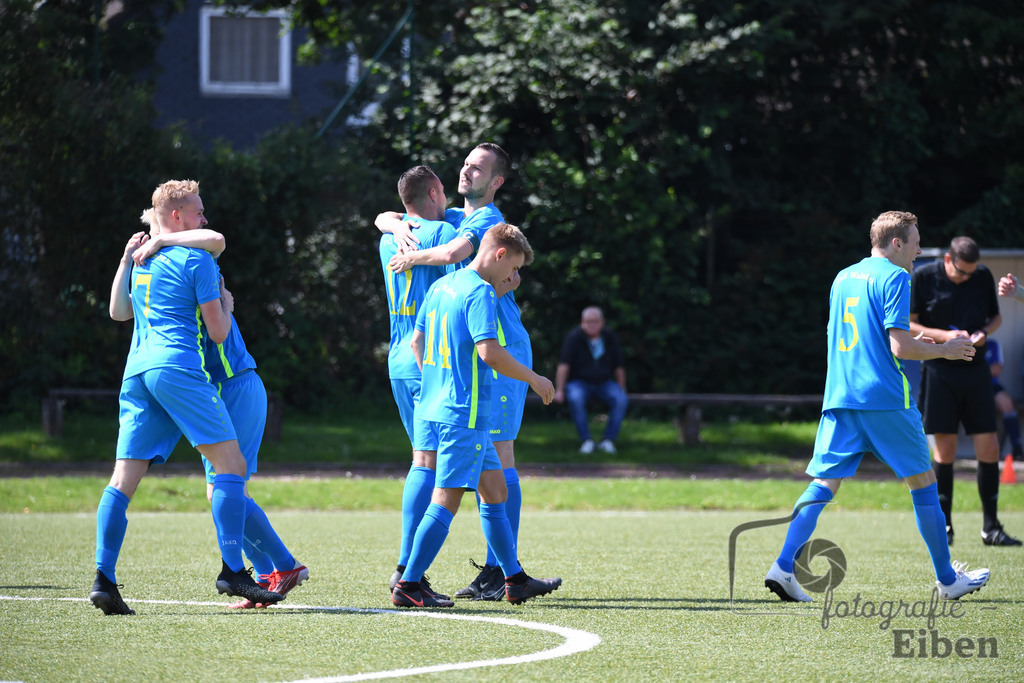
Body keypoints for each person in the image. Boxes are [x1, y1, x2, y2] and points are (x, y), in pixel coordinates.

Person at [765, 211, 990, 603]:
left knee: (823, 483)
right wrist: (948, 350)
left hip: (840, 397)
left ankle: (783, 567)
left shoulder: (842, 277)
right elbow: (900, 347)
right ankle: (947, 579)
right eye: (916, 241)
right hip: (884, 399)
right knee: (923, 484)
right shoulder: (897, 277)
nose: (920, 249)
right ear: (897, 242)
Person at [91, 180, 284, 615]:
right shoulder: (196, 258)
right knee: (230, 467)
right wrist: (227, 307)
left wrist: (128, 256)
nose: (204, 219)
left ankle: (104, 579)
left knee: (123, 479)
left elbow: (118, 312)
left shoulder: (142, 259)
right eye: (197, 211)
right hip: (178, 368)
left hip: (137, 372)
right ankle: (233, 571)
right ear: (177, 216)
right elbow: (217, 332)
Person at [377, 143, 533, 601]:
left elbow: (450, 253)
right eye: (465, 163)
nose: (466, 169)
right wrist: (390, 218)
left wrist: (393, 231)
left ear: (497, 181)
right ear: (438, 190)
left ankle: (495, 569)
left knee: (490, 459)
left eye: (478, 166)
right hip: (451, 361)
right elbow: (421, 230)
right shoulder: (444, 224)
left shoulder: (479, 222)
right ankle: (488, 572)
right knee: (466, 465)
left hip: (483, 351)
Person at [130, 216, 309, 610]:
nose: (205, 218)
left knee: (226, 488)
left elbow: (216, 239)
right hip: (221, 390)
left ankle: (278, 568)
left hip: (237, 386)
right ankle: (273, 571)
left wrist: (161, 241)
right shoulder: (166, 270)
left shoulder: (195, 259)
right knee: (221, 490)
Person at [391, 223, 561, 608]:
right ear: (500, 255)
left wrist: (438, 383)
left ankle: (513, 579)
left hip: (440, 408)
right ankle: (409, 583)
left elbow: (417, 342)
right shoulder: (480, 291)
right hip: (462, 414)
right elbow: (490, 353)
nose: (513, 278)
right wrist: (535, 378)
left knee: (494, 492)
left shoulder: (442, 285)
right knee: (447, 498)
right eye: (513, 268)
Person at [378, 165, 459, 598]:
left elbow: (387, 218)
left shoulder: (388, 236)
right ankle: (407, 572)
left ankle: (407, 570)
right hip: (429, 358)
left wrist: (386, 219)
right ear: (435, 191)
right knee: (427, 463)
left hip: (398, 358)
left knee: (421, 459)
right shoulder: (444, 232)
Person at [909, 236, 1021, 547]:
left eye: (971, 273)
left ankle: (991, 527)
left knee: (989, 449)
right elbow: (909, 323)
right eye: (961, 272)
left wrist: (983, 334)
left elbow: (995, 318)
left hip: (976, 371)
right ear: (947, 260)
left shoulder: (981, 275)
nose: (967, 277)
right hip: (939, 370)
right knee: (944, 451)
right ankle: (944, 528)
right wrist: (947, 337)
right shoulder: (923, 277)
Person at [553, 306, 628, 454]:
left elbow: (619, 366)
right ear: (582, 322)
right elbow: (564, 365)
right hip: (579, 382)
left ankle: (608, 440)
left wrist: (622, 387)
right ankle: (586, 440)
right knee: (575, 397)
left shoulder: (609, 337)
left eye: (595, 321)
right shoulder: (574, 337)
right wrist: (560, 390)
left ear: (602, 322)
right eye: (588, 321)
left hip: (604, 382)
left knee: (621, 399)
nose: (591, 324)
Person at [983, 337, 1024, 462]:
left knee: (1006, 403)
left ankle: (1017, 447)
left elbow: (996, 369)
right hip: (970, 386)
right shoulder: (962, 341)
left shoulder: (992, 344)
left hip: (991, 385)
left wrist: (976, 370)